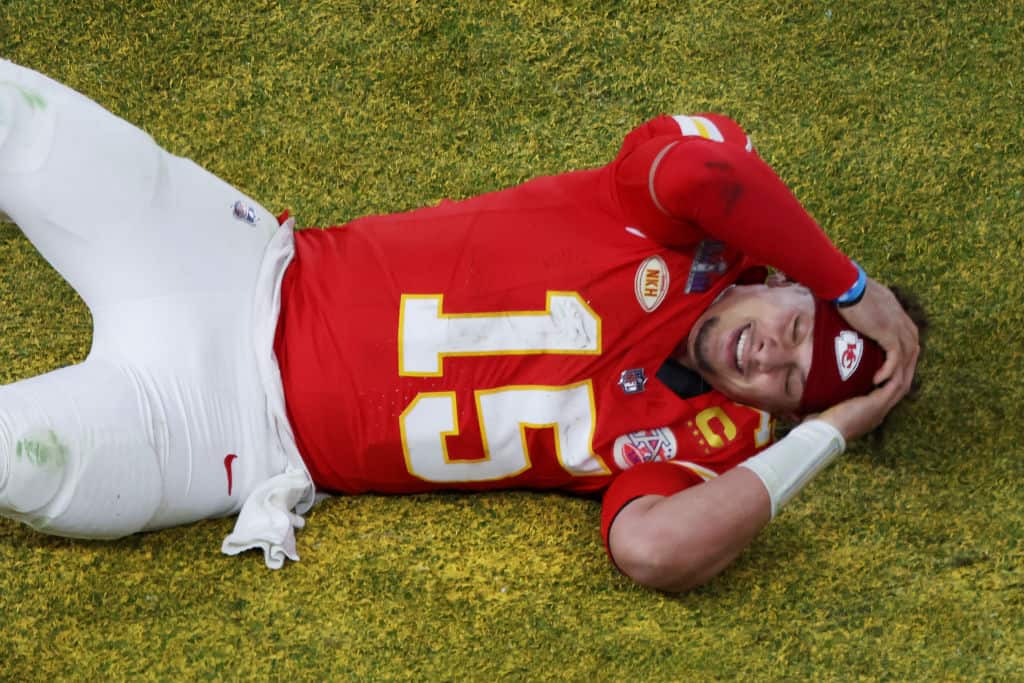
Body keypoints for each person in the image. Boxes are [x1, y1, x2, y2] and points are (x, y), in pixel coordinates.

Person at [0, 60, 919, 591]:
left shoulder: (709, 446)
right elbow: (696, 172)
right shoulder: (686, 226)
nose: (770, 356)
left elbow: (654, 551)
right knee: (18, 120)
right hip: (236, 263)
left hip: (226, 437)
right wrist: (854, 284)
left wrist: (831, 430)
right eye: (797, 328)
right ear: (791, 281)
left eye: (792, 383)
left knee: (20, 454)